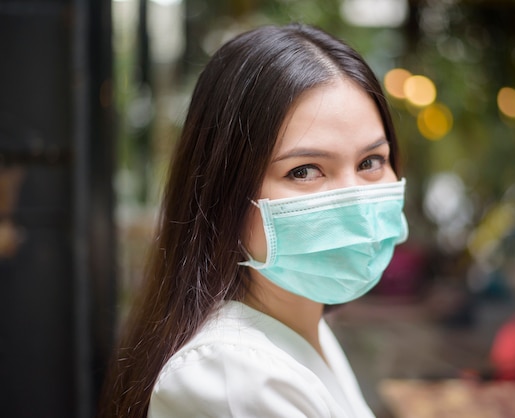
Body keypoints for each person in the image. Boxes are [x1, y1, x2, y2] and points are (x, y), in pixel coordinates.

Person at [98, 23, 408, 418]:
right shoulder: (234, 376)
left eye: (371, 162)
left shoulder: (303, 322)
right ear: (225, 195)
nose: (355, 200)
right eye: (304, 170)